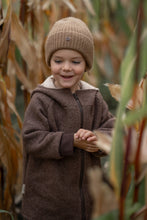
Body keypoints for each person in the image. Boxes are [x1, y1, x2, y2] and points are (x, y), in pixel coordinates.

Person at [21, 17, 115, 220]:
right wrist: (70, 141)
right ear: (49, 61)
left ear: (86, 64)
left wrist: (96, 138)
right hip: (47, 202)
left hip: (86, 202)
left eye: (75, 61)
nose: (66, 68)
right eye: (58, 61)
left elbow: (112, 129)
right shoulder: (42, 99)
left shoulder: (93, 97)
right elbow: (32, 138)